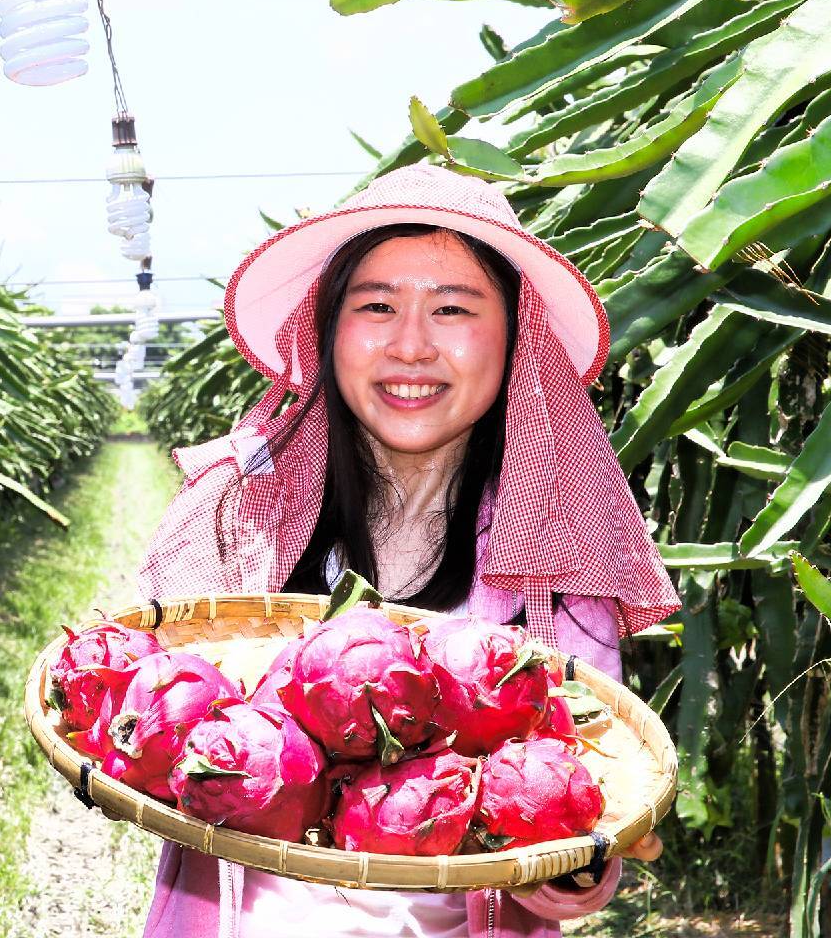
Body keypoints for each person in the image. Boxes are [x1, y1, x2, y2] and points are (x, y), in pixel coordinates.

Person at [133, 164, 681, 938]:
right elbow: (154, 718)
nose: (411, 346)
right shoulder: (241, 514)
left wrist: (583, 856)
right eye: (377, 305)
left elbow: (575, 804)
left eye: (454, 308)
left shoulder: (554, 567)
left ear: (515, 337)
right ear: (328, 329)